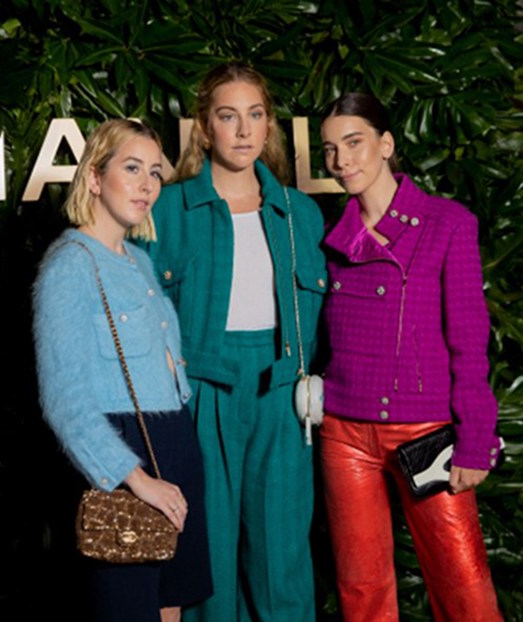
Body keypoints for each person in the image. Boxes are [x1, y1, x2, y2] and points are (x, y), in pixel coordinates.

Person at [142, 62, 327, 622]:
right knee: (208, 560)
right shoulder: (166, 209)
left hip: (282, 394)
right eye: (228, 116)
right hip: (200, 392)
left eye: (255, 114)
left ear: (269, 125)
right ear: (204, 128)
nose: (244, 130)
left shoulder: (301, 214)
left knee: (282, 559)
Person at [318, 92, 503, 621]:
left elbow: (469, 338)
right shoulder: (331, 237)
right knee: (361, 589)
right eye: (330, 149)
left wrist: (475, 439)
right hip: (344, 430)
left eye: (353, 143)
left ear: (386, 144)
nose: (341, 160)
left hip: (425, 431)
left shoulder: (447, 223)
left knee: (463, 585)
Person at [32, 119, 212, 622]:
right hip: (124, 460)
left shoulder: (138, 260)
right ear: (94, 177)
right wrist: (136, 479)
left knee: (170, 605)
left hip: (174, 447)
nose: (146, 185)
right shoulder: (69, 267)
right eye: (131, 168)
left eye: (154, 172)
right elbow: (65, 404)